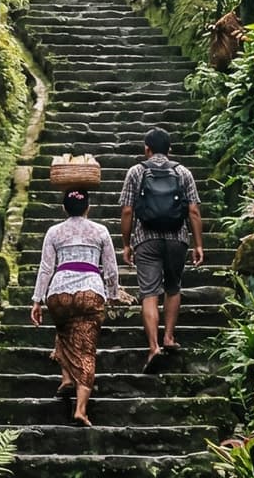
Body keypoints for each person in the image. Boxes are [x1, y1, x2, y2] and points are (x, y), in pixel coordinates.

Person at [29, 189, 119, 427]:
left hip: (59, 292)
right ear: (88, 207)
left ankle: (67, 378)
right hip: (90, 290)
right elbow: (110, 269)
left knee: (65, 330)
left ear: (64, 208)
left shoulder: (54, 232)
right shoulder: (100, 231)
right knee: (86, 349)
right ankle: (80, 410)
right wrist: (113, 294)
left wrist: (37, 300)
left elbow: (46, 268)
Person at [119, 128, 204, 371]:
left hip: (146, 239)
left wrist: (126, 244)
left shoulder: (136, 171)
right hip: (177, 238)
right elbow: (193, 211)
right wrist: (198, 244)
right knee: (173, 287)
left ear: (146, 149)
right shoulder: (183, 172)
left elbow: (127, 211)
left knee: (149, 292)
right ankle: (168, 337)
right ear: (170, 150)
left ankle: (153, 346)